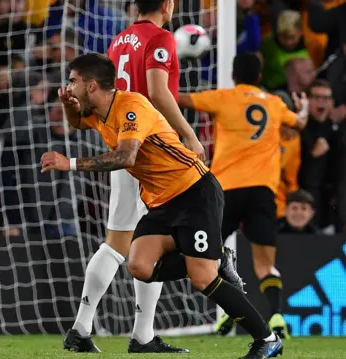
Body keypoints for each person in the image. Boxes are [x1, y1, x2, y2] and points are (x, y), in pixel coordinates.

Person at [41, 53, 282, 359]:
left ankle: (267, 338)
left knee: (202, 277)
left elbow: (126, 157)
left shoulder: (132, 107)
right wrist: (67, 106)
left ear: (91, 86)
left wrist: (70, 163)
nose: (68, 86)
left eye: (73, 81)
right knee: (139, 266)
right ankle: (216, 257)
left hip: (194, 192)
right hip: (161, 201)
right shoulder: (98, 109)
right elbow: (78, 124)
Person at [64, 0, 204, 353]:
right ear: (168, 5)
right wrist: (189, 134)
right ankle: (85, 329)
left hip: (124, 144)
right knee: (120, 244)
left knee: (138, 242)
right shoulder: (161, 37)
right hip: (151, 153)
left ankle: (137, 334)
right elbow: (157, 92)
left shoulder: (119, 40)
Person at [178, 52, 309, 339]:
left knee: (211, 257)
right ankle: (275, 316)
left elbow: (181, 100)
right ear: (260, 78)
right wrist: (303, 109)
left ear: (234, 76)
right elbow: (299, 124)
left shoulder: (224, 97)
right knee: (264, 263)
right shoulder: (274, 103)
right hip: (263, 191)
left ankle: (227, 310)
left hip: (226, 191)